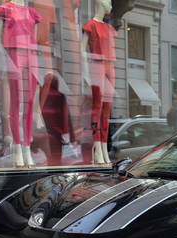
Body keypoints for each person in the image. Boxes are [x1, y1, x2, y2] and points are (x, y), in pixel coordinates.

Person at [0, 0, 42, 168]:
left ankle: (27, 148)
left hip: (31, 55)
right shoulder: (6, 8)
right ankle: (18, 149)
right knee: (16, 100)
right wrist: (3, 54)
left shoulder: (32, 12)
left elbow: (34, 38)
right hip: (13, 52)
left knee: (29, 102)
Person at [82, 0, 116, 165]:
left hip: (110, 66)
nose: (111, 5)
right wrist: (85, 73)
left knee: (107, 109)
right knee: (97, 106)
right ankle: (96, 145)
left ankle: (103, 146)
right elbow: (82, 51)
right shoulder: (91, 25)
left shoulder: (109, 27)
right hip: (97, 65)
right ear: (102, 3)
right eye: (109, 2)